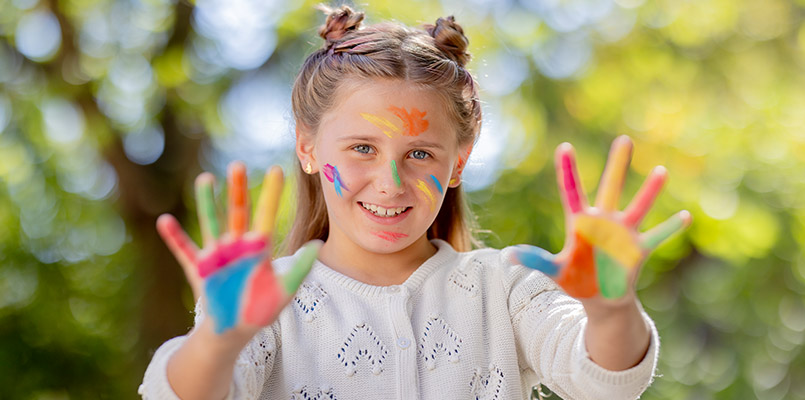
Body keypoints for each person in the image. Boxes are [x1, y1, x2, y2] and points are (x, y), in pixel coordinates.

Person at [139, 5, 691, 400]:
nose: (390, 182)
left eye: (421, 154)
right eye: (362, 148)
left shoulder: (507, 289)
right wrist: (218, 340)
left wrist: (611, 310)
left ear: (459, 162)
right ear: (307, 148)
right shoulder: (264, 299)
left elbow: (606, 379)